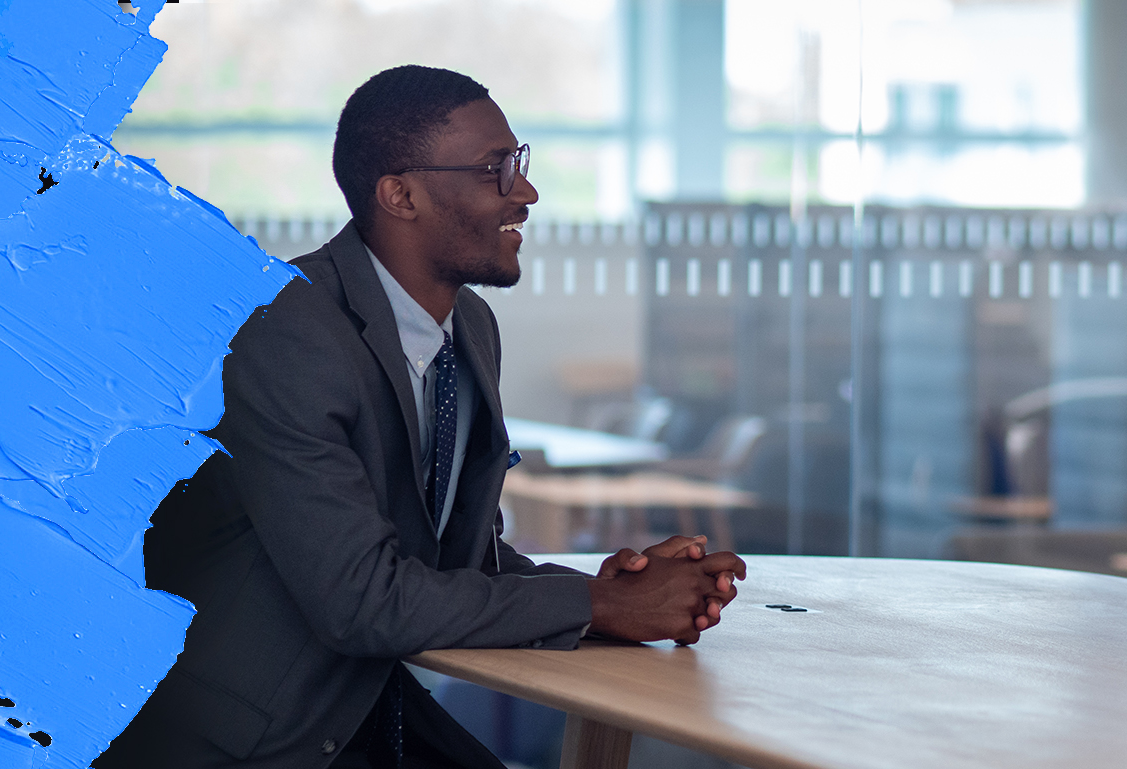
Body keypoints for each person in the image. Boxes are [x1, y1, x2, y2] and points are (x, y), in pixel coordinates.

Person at [99, 66, 746, 768]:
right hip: (250, 740)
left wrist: (610, 590)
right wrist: (597, 605)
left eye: (518, 162)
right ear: (400, 193)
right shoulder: (284, 331)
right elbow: (362, 600)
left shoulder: (470, 327)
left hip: (363, 707)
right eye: (494, 169)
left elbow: (453, 563)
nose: (523, 190)